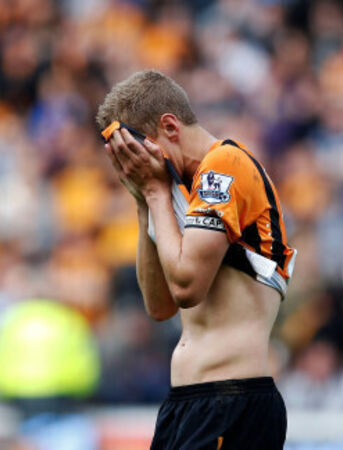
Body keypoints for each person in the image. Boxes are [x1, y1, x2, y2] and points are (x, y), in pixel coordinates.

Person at [97, 70, 296, 449]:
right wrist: (143, 202)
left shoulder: (225, 164)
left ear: (170, 127)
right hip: (188, 404)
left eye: (137, 148)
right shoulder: (177, 189)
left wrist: (155, 194)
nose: (134, 163)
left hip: (231, 401)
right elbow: (160, 306)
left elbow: (187, 287)